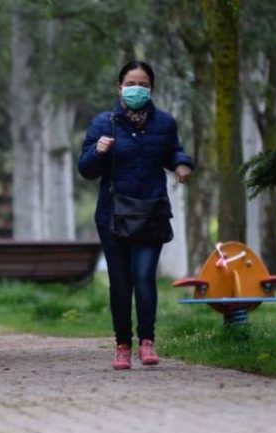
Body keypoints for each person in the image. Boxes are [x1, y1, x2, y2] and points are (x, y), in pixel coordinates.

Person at [78, 60, 193, 370]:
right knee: (120, 282)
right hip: (113, 214)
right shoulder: (104, 123)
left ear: (151, 88)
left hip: (151, 211)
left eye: (143, 84)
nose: (137, 89)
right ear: (120, 87)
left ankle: (147, 342)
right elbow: (86, 169)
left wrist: (183, 165)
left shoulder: (165, 122)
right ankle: (122, 345)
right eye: (131, 83)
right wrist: (98, 151)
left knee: (144, 278)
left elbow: (172, 151)